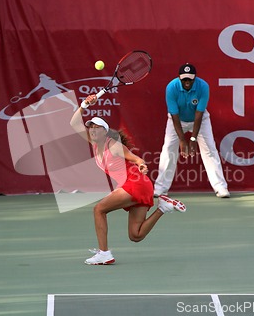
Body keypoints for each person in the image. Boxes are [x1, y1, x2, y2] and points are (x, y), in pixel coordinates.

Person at [70, 94, 186, 265]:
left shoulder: (114, 145)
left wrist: (142, 165)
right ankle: (163, 208)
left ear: (105, 131)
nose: (92, 130)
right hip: (140, 185)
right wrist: (84, 104)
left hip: (136, 183)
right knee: (136, 235)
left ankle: (104, 253)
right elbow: (73, 123)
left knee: (99, 210)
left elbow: (137, 159)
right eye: (90, 127)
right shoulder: (95, 143)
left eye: (96, 127)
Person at [154, 63, 230, 198]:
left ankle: (220, 187)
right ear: (179, 78)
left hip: (200, 120)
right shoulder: (171, 88)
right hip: (177, 121)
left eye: (190, 79)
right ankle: (160, 188)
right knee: (168, 149)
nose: (187, 82)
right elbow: (174, 115)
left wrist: (193, 138)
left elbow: (199, 113)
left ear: (194, 78)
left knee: (210, 150)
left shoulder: (203, 87)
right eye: (184, 79)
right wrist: (182, 139)